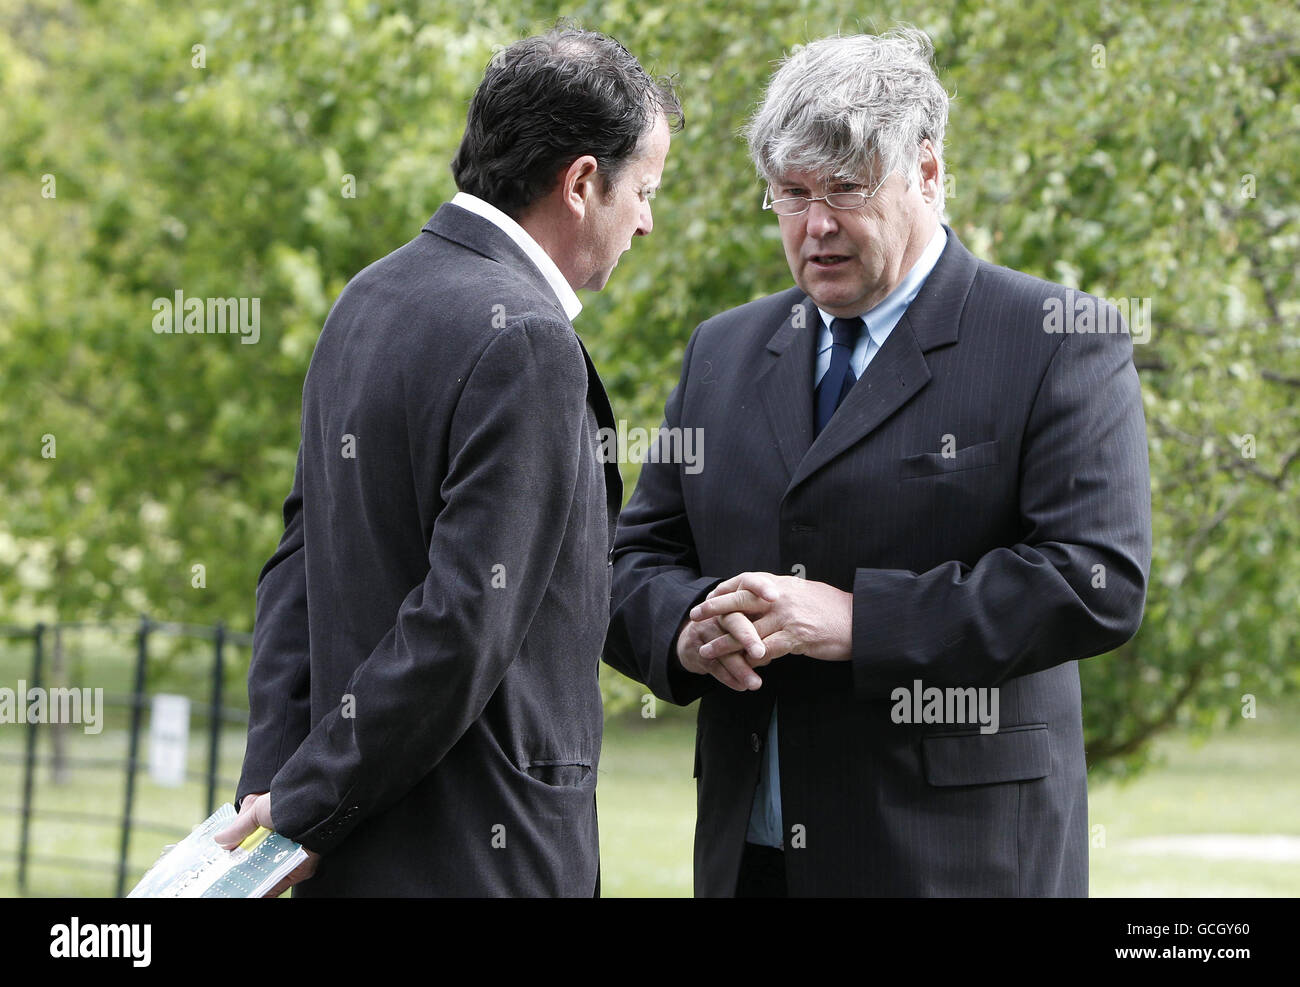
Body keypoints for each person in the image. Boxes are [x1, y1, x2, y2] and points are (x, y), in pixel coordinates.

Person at [604, 27, 1150, 897]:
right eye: (790, 194)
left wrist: (861, 621)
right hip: (749, 862)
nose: (815, 224)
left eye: (845, 190)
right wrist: (685, 627)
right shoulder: (723, 349)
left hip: (955, 864)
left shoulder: (1056, 340)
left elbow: (1094, 579)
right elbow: (631, 560)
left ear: (928, 173)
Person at [216, 26, 679, 896]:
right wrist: (303, 806)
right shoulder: (532, 342)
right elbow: (462, 625)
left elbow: (295, 569)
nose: (647, 221)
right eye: (645, 190)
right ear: (582, 183)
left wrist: (280, 798)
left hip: (347, 856)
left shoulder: (365, 297)